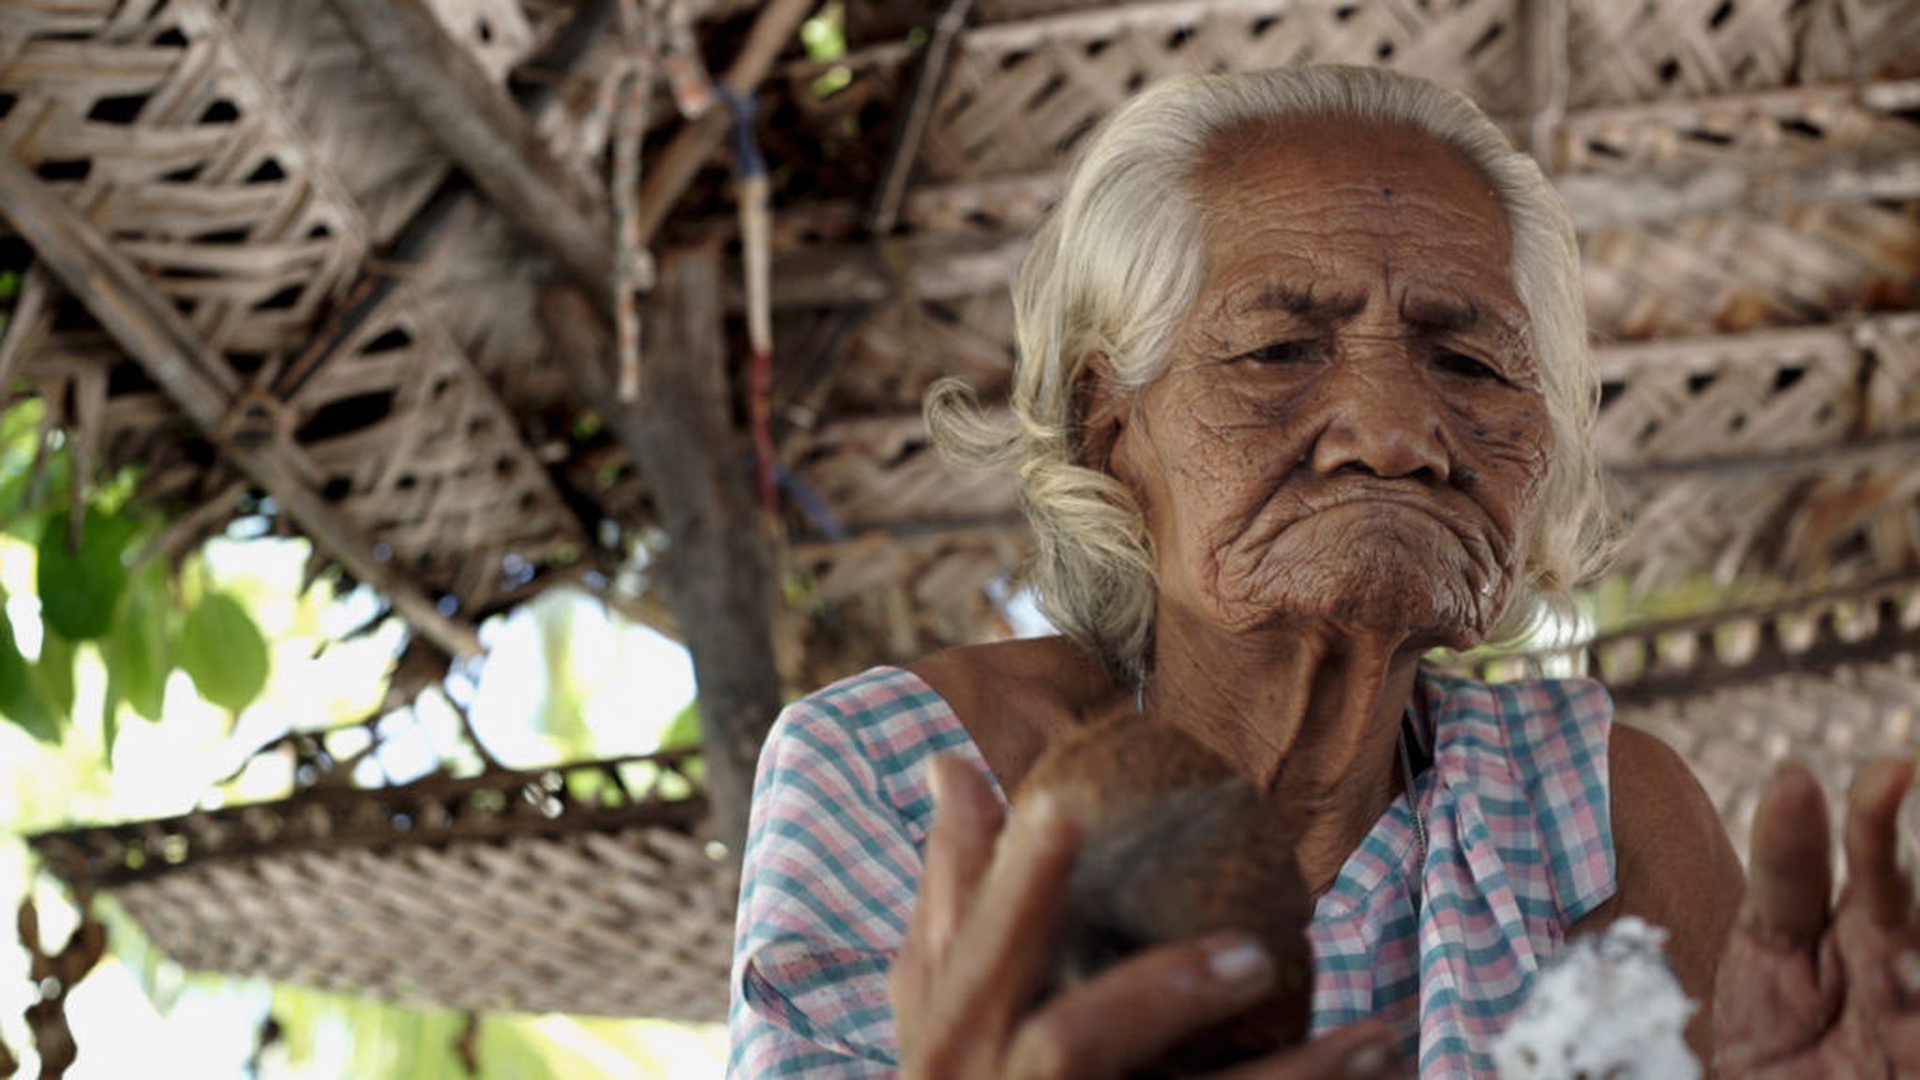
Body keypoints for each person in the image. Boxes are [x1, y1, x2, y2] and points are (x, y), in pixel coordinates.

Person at [726, 65, 1920, 1078]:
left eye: (1471, 363)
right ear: (1108, 427)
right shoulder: (901, 783)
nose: (1396, 431)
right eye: (1280, 349)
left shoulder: (1593, 816)